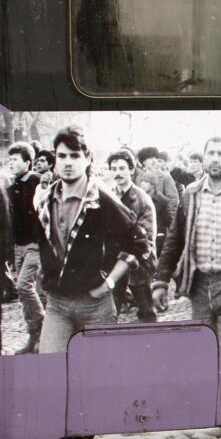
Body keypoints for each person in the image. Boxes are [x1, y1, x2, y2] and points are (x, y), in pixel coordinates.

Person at [34, 126, 152, 354]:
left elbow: (138, 243)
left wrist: (110, 282)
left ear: (87, 159)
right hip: (57, 304)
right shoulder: (45, 199)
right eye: (62, 156)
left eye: (75, 156)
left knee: (98, 374)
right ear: (55, 160)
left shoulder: (103, 199)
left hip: (94, 304)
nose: (68, 162)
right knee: (50, 367)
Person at [152, 137, 221, 343]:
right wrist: (161, 281)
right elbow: (174, 239)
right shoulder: (191, 195)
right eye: (211, 153)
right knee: (203, 345)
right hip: (199, 286)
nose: (215, 159)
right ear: (204, 158)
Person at [107, 150, 158, 323]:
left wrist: (134, 256)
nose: (118, 173)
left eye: (122, 168)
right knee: (109, 311)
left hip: (139, 264)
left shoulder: (142, 199)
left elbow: (147, 237)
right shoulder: (109, 196)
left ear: (131, 170)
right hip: (115, 262)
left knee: (146, 312)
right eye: (113, 169)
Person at [7, 143, 47, 353]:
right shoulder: (11, 186)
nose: (11, 162)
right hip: (18, 246)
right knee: (25, 293)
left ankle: (43, 331)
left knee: (24, 286)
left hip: (35, 244)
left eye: (15, 159)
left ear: (27, 161)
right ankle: (34, 338)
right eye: (9, 159)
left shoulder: (37, 182)